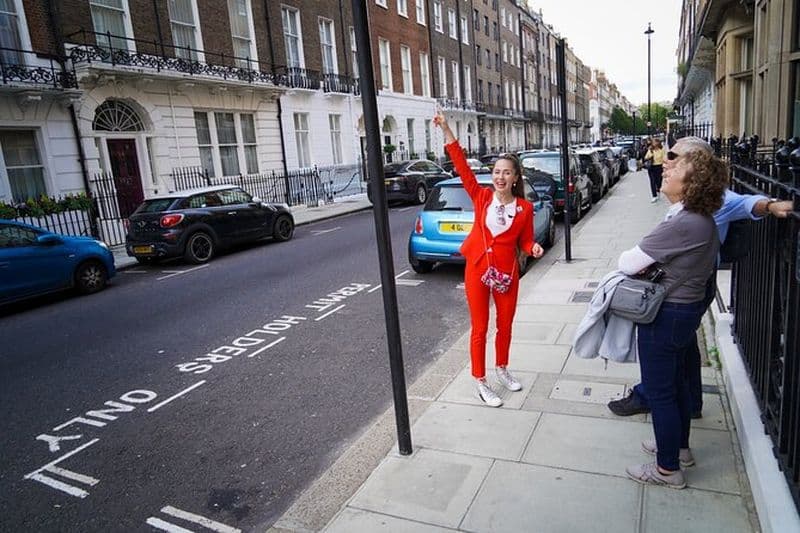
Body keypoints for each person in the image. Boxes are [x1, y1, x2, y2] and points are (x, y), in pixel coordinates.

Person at [608, 137, 795, 419]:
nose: (667, 162)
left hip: (690, 287)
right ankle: (689, 403)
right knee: (684, 349)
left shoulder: (713, 200)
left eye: (674, 157)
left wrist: (769, 205)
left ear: (695, 166)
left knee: (668, 350)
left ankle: (654, 397)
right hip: (690, 284)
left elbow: (745, 202)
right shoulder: (691, 203)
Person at [619, 143, 729, 489]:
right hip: (682, 315)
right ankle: (678, 449)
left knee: (660, 392)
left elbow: (627, 263)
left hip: (665, 316)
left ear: (693, 180)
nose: (665, 169)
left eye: (675, 166)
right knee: (678, 386)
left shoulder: (684, 223)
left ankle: (667, 470)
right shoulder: (699, 219)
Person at [433, 112, 544, 407]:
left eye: (506, 172)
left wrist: (533, 248)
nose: (500, 176)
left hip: (506, 273)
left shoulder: (524, 208)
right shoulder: (481, 197)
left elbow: (526, 240)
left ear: (515, 177)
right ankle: (481, 381)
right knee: (480, 327)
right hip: (478, 269)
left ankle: (502, 368)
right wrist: (446, 129)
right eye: (496, 171)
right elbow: (460, 165)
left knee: (505, 324)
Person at [644, 138, 665, 203]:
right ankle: (654, 196)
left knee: (659, 181)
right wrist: (650, 155)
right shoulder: (650, 150)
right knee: (652, 181)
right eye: (653, 142)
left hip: (659, 167)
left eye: (655, 142)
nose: (654, 143)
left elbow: (664, 158)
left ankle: (658, 190)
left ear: (658, 143)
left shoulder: (662, 150)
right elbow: (646, 157)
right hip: (652, 167)